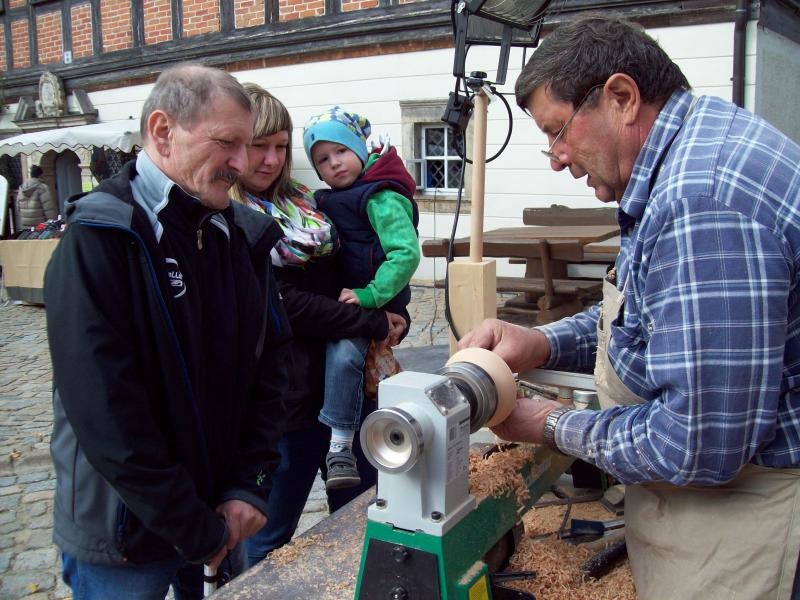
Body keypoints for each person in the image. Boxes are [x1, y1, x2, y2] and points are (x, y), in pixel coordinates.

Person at [460, 15, 800, 600]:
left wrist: (551, 424)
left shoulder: (701, 201)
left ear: (621, 97)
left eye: (558, 131)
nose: (555, 158)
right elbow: (651, 316)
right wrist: (541, 341)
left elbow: (696, 442)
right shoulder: (690, 148)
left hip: (749, 507)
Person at [43, 64, 290, 600]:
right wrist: (194, 527)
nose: (242, 164)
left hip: (224, 519)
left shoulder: (242, 236)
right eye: (228, 144)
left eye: (246, 146)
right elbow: (106, 412)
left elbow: (270, 369)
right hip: (127, 540)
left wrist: (251, 484)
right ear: (162, 131)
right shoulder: (99, 239)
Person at [230, 84, 406, 566]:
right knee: (269, 537)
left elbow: (354, 269)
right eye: (258, 146)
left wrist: (394, 309)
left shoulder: (310, 203)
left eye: (280, 146)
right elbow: (286, 304)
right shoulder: (230, 217)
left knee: (358, 517)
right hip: (282, 403)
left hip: (346, 388)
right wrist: (370, 319)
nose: (269, 160)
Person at [302, 106, 420, 489]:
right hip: (353, 297)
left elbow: (405, 253)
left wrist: (373, 295)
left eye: (341, 151)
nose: (334, 164)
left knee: (346, 354)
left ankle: (340, 446)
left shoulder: (379, 197)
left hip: (374, 298)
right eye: (322, 159)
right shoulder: (332, 197)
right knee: (359, 368)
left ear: (360, 148)